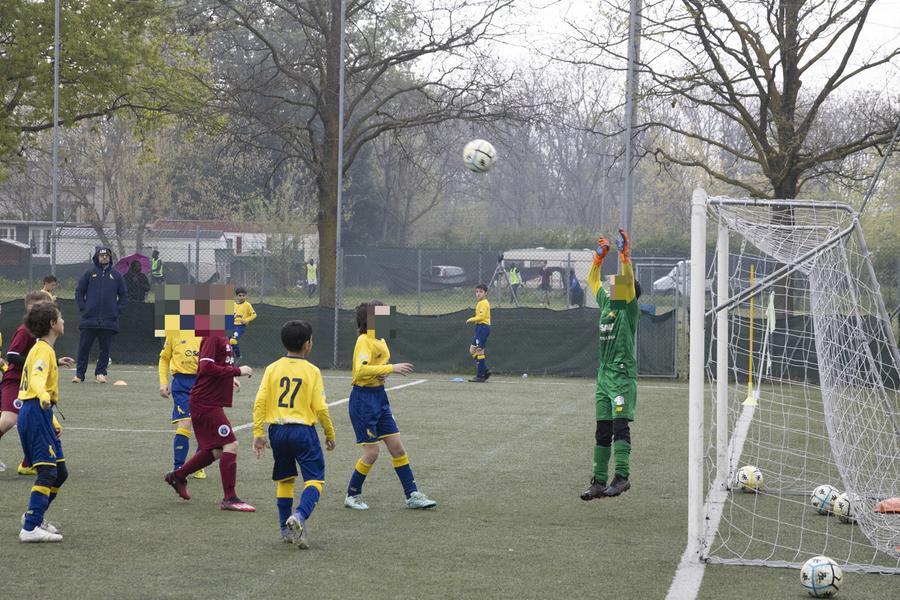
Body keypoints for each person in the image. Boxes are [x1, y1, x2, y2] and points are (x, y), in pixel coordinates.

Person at [343, 301, 437, 511]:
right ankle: (352, 494)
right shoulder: (364, 341)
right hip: (363, 401)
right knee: (372, 452)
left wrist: (383, 372)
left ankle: (412, 495)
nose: (390, 320)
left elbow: (375, 369)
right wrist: (391, 368)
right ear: (372, 320)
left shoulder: (381, 340)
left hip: (379, 398)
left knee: (397, 448)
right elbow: (359, 371)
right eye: (385, 316)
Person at [252, 320, 335, 548]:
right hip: (302, 431)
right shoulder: (312, 371)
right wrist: (330, 433)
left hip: (277, 431)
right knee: (315, 478)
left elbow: (260, 402)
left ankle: (285, 530)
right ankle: (299, 516)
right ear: (307, 344)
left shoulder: (272, 368)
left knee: (285, 478)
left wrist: (258, 433)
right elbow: (320, 408)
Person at [164, 329, 255, 511]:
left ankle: (178, 476)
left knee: (216, 449)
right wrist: (237, 371)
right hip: (205, 402)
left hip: (210, 401)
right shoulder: (213, 335)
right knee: (231, 444)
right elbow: (205, 367)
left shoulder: (222, 335)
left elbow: (216, 366)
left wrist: (230, 376)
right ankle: (230, 498)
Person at [581, 228, 641, 501]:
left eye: (618, 282)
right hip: (604, 377)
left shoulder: (628, 309)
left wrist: (625, 256)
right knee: (602, 430)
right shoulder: (607, 303)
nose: (611, 282)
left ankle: (622, 476)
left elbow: (627, 279)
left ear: (629, 293)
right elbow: (592, 282)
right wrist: (598, 259)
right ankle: (598, 482)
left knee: (619, 427)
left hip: (621, 376)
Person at [1, 293, 74, 476]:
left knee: (55, 429)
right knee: (8, 421)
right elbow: (12, 356)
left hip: (33, 387)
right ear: (29, 308)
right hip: (16, 382)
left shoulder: (43, 337)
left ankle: (27, 464)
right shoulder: (25, 330)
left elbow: (38, 362)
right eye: (39, 306)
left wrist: (55, 361)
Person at [16, 302, 68, 542]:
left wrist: (53, 419)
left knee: (60, 473)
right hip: (35, 410)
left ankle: (35, 516)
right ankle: (29, 528)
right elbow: (37, 378)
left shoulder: (44, 349)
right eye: (60, 318)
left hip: (42, 413)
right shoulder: (43, 350)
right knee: (47, 472)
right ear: (52, 324)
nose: (63, 321)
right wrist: (44, 396)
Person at [158, 325, 207, 479]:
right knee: (185, 422)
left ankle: (198, 465)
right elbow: (164, 358)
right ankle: (178, 468)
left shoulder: (209, 332)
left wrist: (230, 377)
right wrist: (163, 382)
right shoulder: (174, 332)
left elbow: (219, 359)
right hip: (182, 384)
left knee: (203, 425)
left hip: (204, 383)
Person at [73, 246, 127, 384]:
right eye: (101, 255)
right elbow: (79, 291)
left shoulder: (116, 276)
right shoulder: (89, 274)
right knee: (84, 348)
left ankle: (101, 373)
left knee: (105, 349)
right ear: (97, 257)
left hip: (108, 321)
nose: (104, 258)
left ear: (110, 258)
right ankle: (79, 375)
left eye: (107, 256)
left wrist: (116, 310)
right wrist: (84, 308)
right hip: (89, 320)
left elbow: (123, 295)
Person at [466, 284, 492, 383]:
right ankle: (485, 370)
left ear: (485, 293)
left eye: (481, 292)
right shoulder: (480, 303)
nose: (478, 293)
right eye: (477, 291)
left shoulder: (485, 303)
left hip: (483, 327)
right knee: (472, 350)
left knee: (479, 350)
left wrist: (471, 319)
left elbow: (481, 317)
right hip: (479, 328)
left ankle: (480, 375)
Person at [230, 286, 257, 361]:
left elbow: (254, 315)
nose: (242, 297)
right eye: (240, 295)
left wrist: (246, 320)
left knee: (233, 340)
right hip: (232, 326)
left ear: (246, 296)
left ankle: (238, 356)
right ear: (236, 296)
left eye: (243, 295)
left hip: (240, 327)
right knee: (227, 341)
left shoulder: (247, 305)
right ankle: (230, 357)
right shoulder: (233, 305)